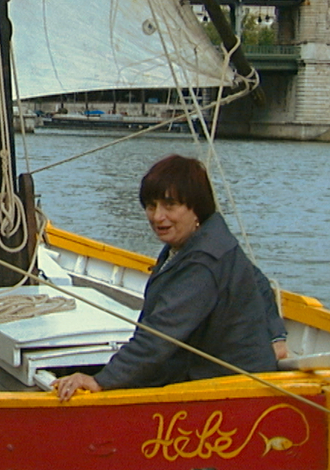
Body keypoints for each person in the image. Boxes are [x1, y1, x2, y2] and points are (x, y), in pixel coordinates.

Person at [53, 154, 280, 401]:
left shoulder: (203, 261)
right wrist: (277, 335)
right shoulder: (210, 241)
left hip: (227, 391)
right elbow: (259, 282)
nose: (158, 217)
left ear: (196, 208)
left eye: (170, 206)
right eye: (151, 206)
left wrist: (101, 381)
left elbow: (160, 334)